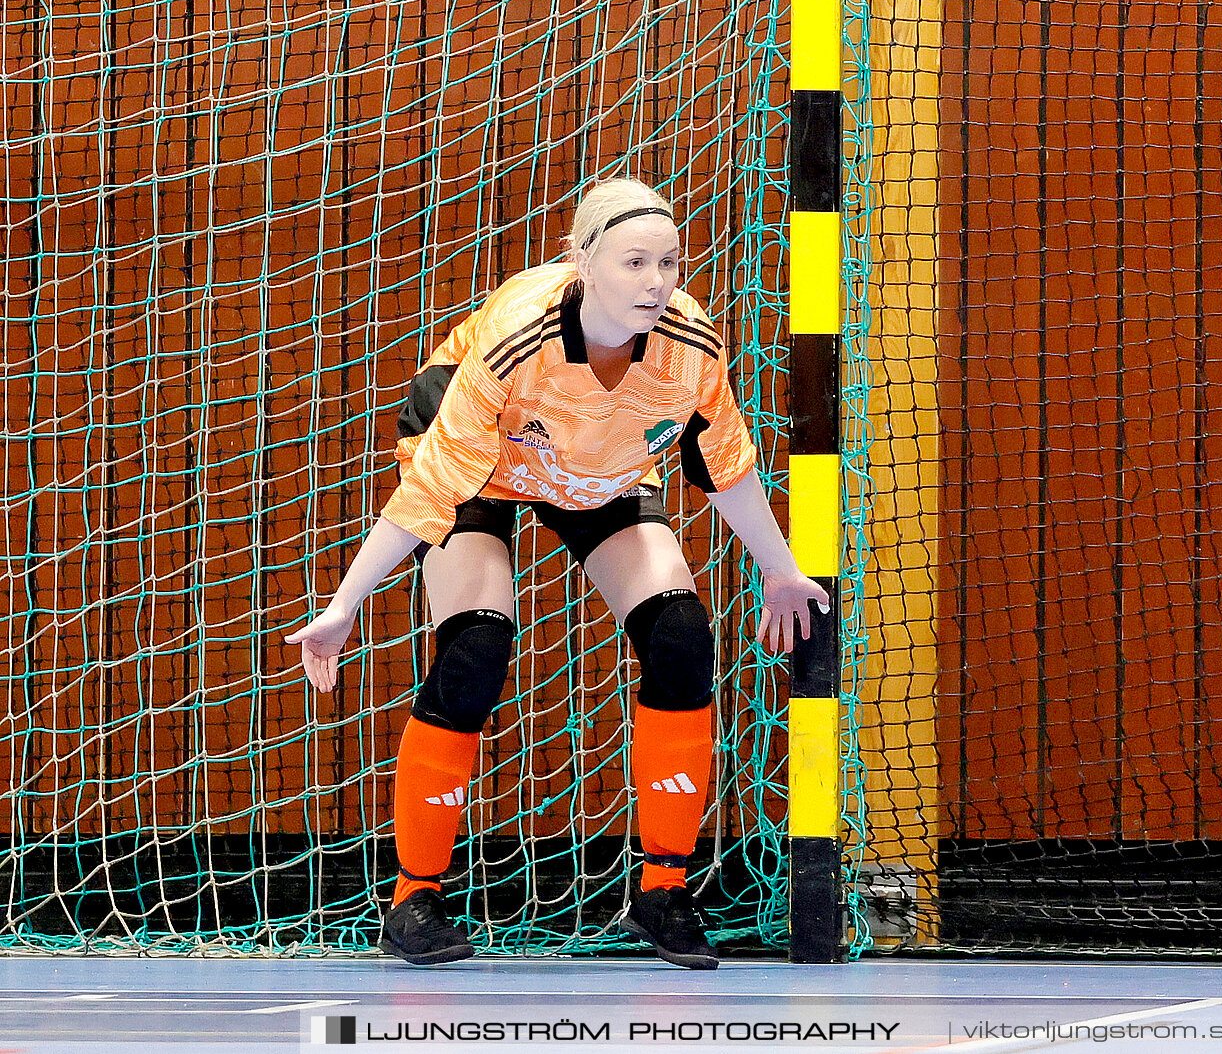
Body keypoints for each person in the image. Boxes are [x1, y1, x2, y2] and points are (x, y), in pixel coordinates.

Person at [285, 177, 828, 971]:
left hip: (600, 465)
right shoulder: (517, 338)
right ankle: (413, 898)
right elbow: (429, 491)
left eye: (670, 262)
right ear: (582, 262)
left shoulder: (691, 344)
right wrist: (343, 605)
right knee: (475, 644)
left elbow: (727, 464)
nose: (656, 281)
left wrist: (780, 571)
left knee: (680, 634)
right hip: (487, 460)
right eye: (634, 261)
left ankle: (663, 891)